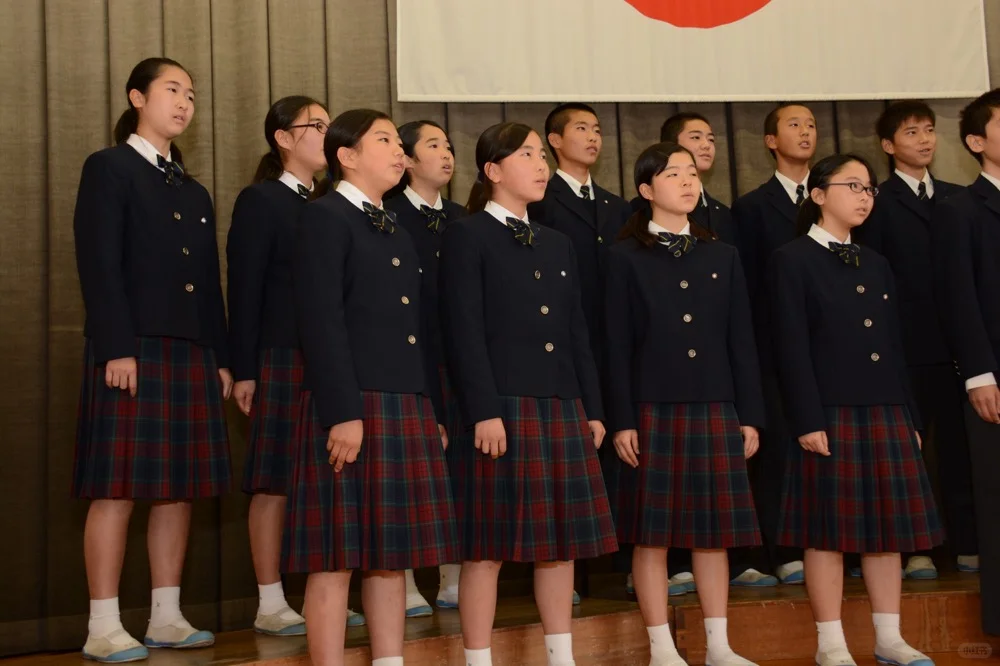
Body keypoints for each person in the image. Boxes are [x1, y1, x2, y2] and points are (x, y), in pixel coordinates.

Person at [283, 108, 458, 666]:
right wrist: (343, 411)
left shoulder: (397, 229)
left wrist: (427, 406)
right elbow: (321, 321)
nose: (398, 151)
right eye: (384, 139)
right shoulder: (323, 218)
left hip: (404, 402)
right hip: (353, 404)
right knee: (335, 557)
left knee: (392, 556)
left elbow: (419, 332)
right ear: (347, 155)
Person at [440, 122, 618, 666]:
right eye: (527, 155)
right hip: (504, 406)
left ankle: (560, 656)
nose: (541, 165)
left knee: (560, 545)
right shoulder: (467, 234)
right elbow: (462, 332)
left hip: (561, 405)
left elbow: (576, 333)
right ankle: (478, 659)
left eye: (543, 155)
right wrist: (484, 412)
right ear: (493, 171)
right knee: (487, 548)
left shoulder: (558, 241)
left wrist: (590, 407)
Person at [73, 57, 230, 662]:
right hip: (133, 347)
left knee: (178, 488)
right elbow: (99, 262)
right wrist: (116, 345)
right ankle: (102, 624)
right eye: (172, 90)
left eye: (191, 94)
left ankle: (166, 615)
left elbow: (208, 281)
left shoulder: (191, 188)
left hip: (190, 352)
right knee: (115, 487)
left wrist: (218, 354)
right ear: (137, 97)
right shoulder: (109, 167)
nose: (184, 102)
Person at [770, 153, 943, 666]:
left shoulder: (877, 262)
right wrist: (807, 419)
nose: (865, 196)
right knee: (826, 531)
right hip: (829, 410)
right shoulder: (792, 259)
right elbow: (790, 347)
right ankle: (831, 644)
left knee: (887, 529)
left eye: (870, 188)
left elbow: (894, 344)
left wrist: (909, 415)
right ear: (819, 195)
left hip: (886, 408)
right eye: (853, 186)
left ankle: (888, 638)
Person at [606, 142, 765, 666]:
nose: (688, 181)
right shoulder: (624, 256)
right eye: (673, 173)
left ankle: (718, 644)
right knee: (650, 535)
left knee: (713, 532)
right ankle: (661, 648)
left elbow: (742, 340)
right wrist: (623, 420)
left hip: (716, 406)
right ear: (646, 190)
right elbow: (616, 345)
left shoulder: (723, 254)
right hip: (653, 407)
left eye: (692, 173)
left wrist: (749, 415)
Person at [853, 101, 976, 581]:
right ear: (888, 146)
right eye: (911, 132)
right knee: (908, 455)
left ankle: (967, 542)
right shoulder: (875, 202)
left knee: (961, 450)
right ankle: (913, 548)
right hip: (903, 348)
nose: (924, 140)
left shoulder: (957, 197)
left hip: (957, 348)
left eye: (929, 130)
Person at [732, 102, 818, 585]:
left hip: (829, 347)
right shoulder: (752, 206)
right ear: (769, 141)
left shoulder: (832, 196)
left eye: (810, 125)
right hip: (771, 348)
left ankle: (833, 544)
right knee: (778, 453)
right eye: (793, 125)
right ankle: (782, 548)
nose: (805, 132)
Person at [385, 119, 467, 616]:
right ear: (408, 160)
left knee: (459, 470)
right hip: (410, 359)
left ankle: (453, 575)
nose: (446, 153)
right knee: (411, 474)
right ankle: (407, 579)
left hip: (459, 359)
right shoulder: (389, 215)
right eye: (433, 145)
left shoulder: (464, 218)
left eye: (449, 145)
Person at [932, 88, 1000, 636]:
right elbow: (958, 296)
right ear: (977, 142)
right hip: (994, 375)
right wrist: (979, 372)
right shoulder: (961, 208)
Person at [629, 112, 737, 246]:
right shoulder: (639, 208)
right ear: (670, 144)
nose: (706, 145)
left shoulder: (722, 212)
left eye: (711, 139)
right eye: (696, 137)